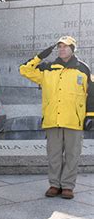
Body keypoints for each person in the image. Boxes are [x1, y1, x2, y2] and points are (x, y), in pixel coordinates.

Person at [20, 36, 94, 199]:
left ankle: (67, 186)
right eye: (59, 46)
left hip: (74, 120)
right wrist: (40, 56)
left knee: (72, 154)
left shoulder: (83, 69)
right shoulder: (47, 68)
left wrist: (90, 115)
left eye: (66, 47)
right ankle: (54, 184)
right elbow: (24, 70)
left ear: (73, 49)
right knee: (53, 153)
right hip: (53, 118)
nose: (62, 49)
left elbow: (91, 93)